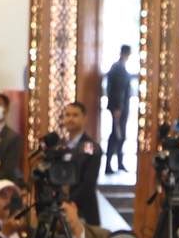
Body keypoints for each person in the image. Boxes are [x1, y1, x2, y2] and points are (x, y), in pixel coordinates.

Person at [56, 100, 103, 225]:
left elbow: (88, 183)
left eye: (75, 115)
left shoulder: (90, 146)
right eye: (67, 115)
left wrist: (69, 201)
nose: (70, 119)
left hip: (83, 210)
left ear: (84, 118)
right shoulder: (60, 146)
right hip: (60, 209)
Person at [103, 45, 133, 174]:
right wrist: (118, 108)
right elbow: (118, 91)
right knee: (116, 135)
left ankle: (119, 163)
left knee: (120, 135)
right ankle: (109, 165)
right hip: (118, 108)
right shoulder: (118, 68)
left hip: (121, 107)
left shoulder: (120, 67)